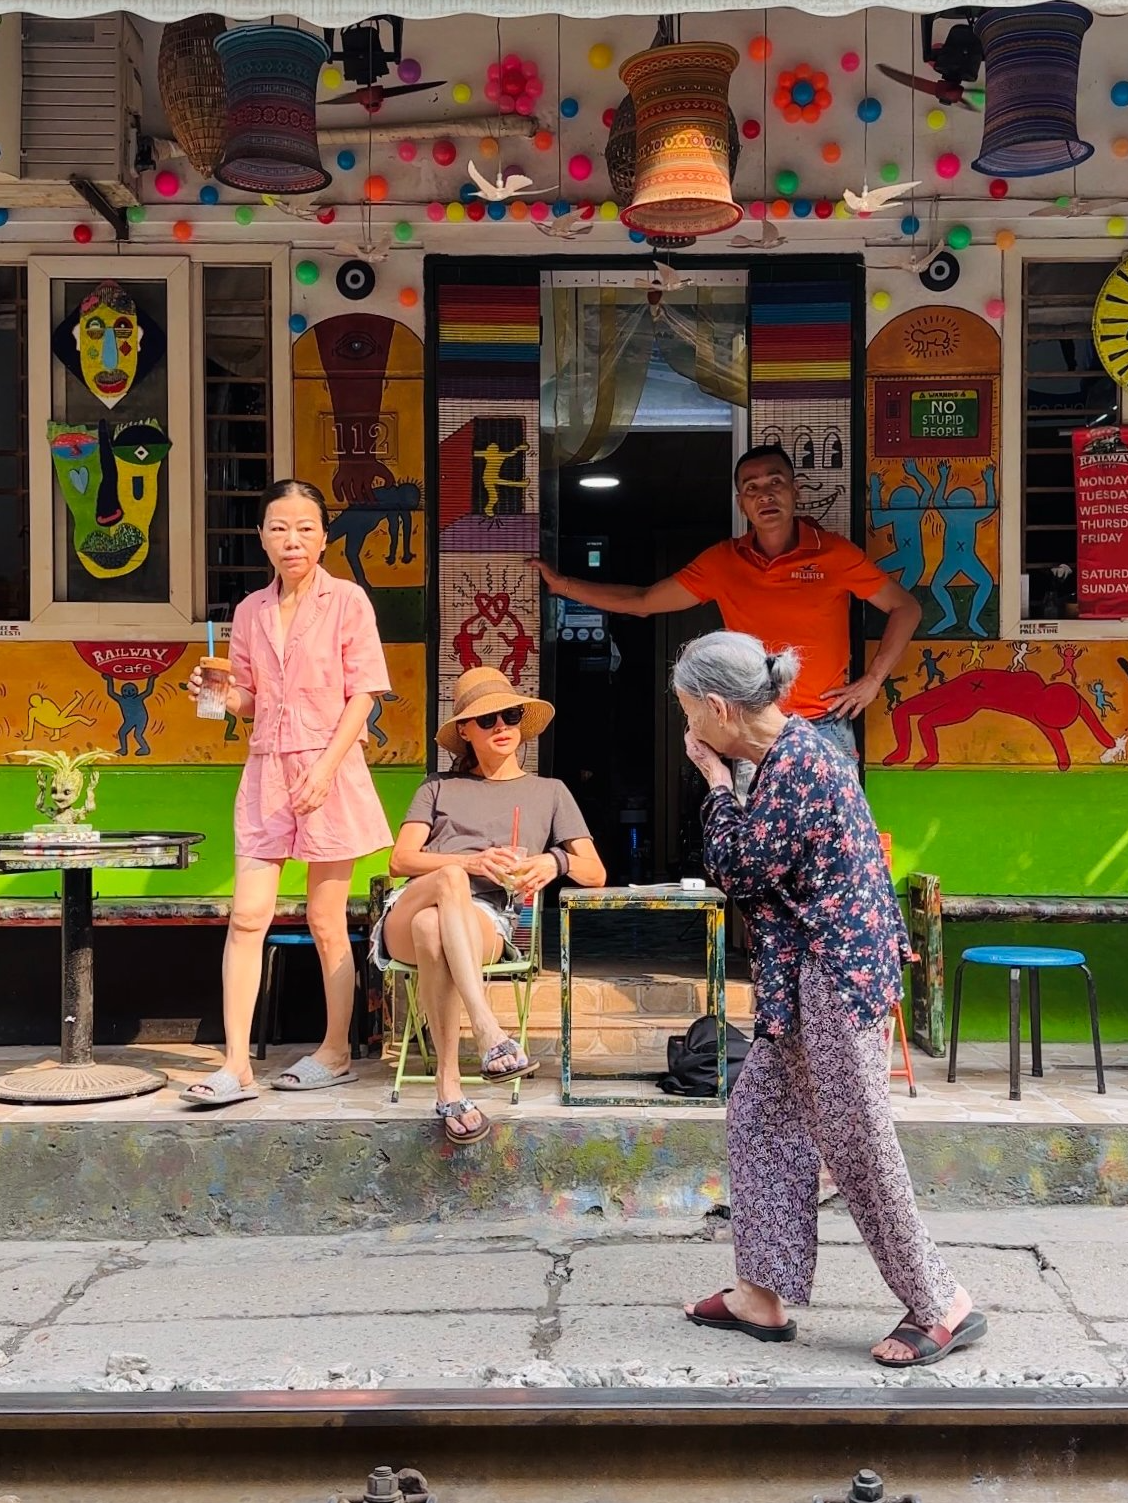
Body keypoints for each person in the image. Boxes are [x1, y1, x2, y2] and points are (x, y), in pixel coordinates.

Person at [673, 630, 986, 1369]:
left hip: (836, 974)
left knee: (856, 1140)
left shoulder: (797, 764)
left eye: (689, 712)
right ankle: (762, 1291)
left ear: (718, 708)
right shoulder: (789, 755)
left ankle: (942, 1301)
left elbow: (739, 866)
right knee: (759, 1116)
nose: (687, 729)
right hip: (812, 970)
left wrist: (714, 785)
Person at [181, 480, 394, 1108]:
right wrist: (213, 693)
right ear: (262, 538)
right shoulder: (248, 612)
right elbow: (245, 700)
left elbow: (364, 694)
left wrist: (327, 769)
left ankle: (334, 1052)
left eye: (304, 527)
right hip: (266, 773)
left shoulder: (349, 601)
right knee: (247, 917)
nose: (291, 539)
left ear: (324, 536)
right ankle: (236, 1065)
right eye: (278, 528)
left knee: (327, 919)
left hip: (331, 768)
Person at [530, 445, 921, 767]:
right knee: (755, 854)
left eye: (775, 483)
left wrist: (872, 681)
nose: (765, 494)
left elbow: (906, 608)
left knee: (832, 849)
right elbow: (643, 602)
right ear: (741, 504)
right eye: (752, 488)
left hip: (825, 726)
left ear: (795, 490)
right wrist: (562, 584)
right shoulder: (723, 563)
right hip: (751, 726)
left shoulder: (834, 553)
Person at [374, 666, 606, 1145]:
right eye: (487, 720)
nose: (501, 726)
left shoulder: (549, 792)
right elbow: (400, 860)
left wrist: (555, 859)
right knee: (448, 882)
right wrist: (472, 862)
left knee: (432, 930)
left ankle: (449, 1088)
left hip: (479, 923)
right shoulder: (437, 785)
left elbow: (595, 872)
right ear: (464, 731)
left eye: (510, 715)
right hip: (412, 902)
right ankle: (486, 1029)